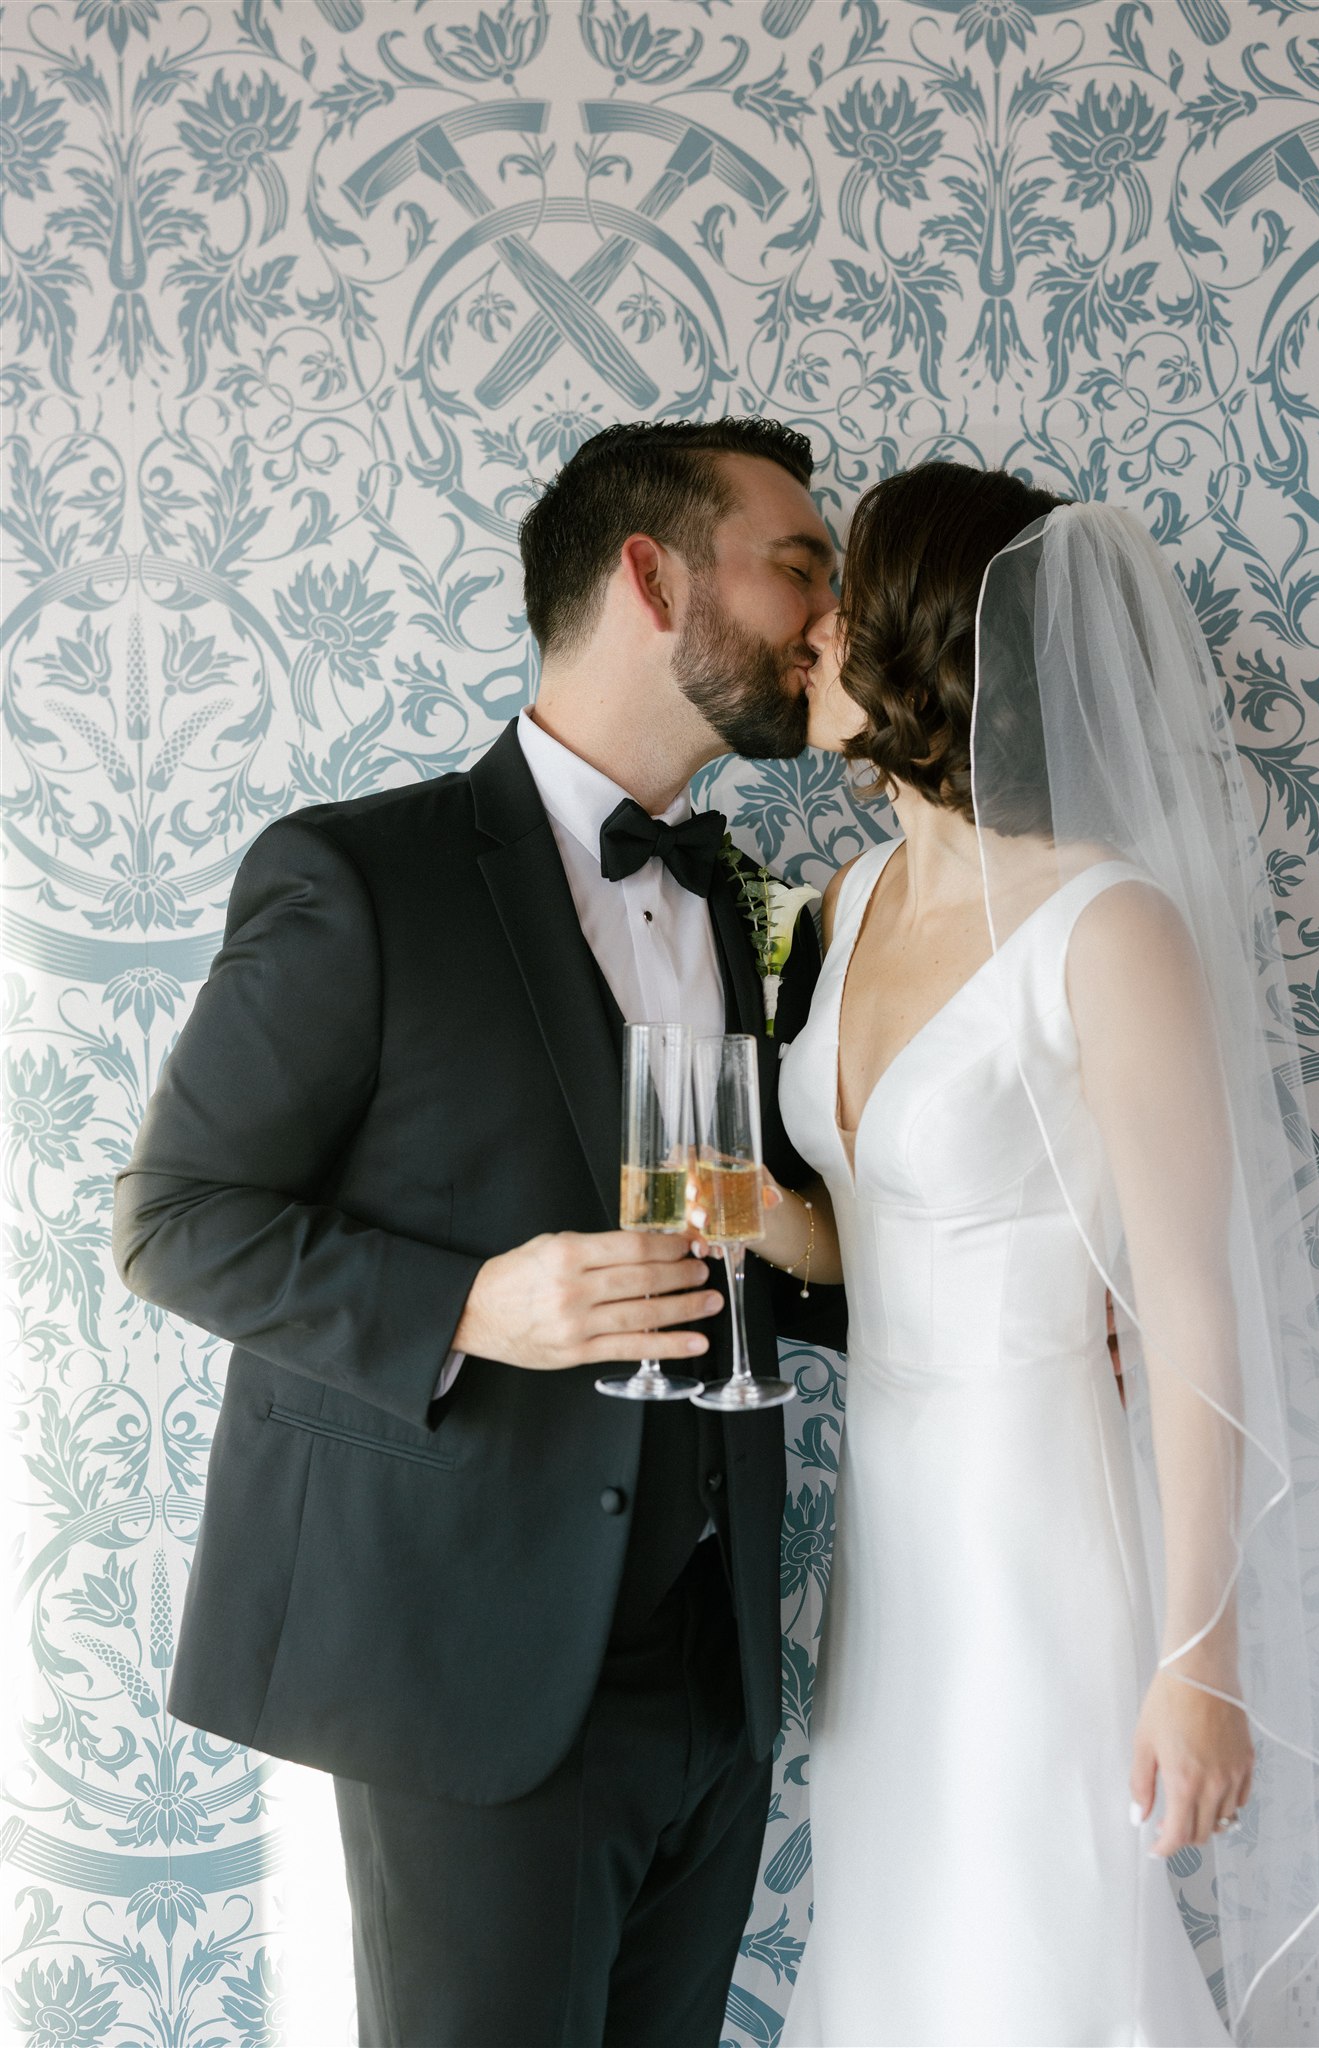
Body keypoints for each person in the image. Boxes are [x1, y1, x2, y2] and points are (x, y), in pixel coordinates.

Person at [111, 416, 847, 2048]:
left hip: (714, 1680)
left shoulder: (735, 898)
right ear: (649, 578)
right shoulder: (360, 878)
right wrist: (474, 1305)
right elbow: (171, 1223)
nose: (828, 615)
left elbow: (762, 1234)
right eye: (798, 564)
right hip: (470, 1671)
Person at [720, 464, 1319, 2046]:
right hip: (893, 1524)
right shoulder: (850, 903)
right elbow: (854, 1234)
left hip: (1042, 1521)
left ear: (931, 634)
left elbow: (1192, 1310)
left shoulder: (1107, 924)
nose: (810, 635)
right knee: (907, 1938)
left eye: (841, 599)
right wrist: (724, 1200)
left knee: (1030, 1950)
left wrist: (1196, 1657)